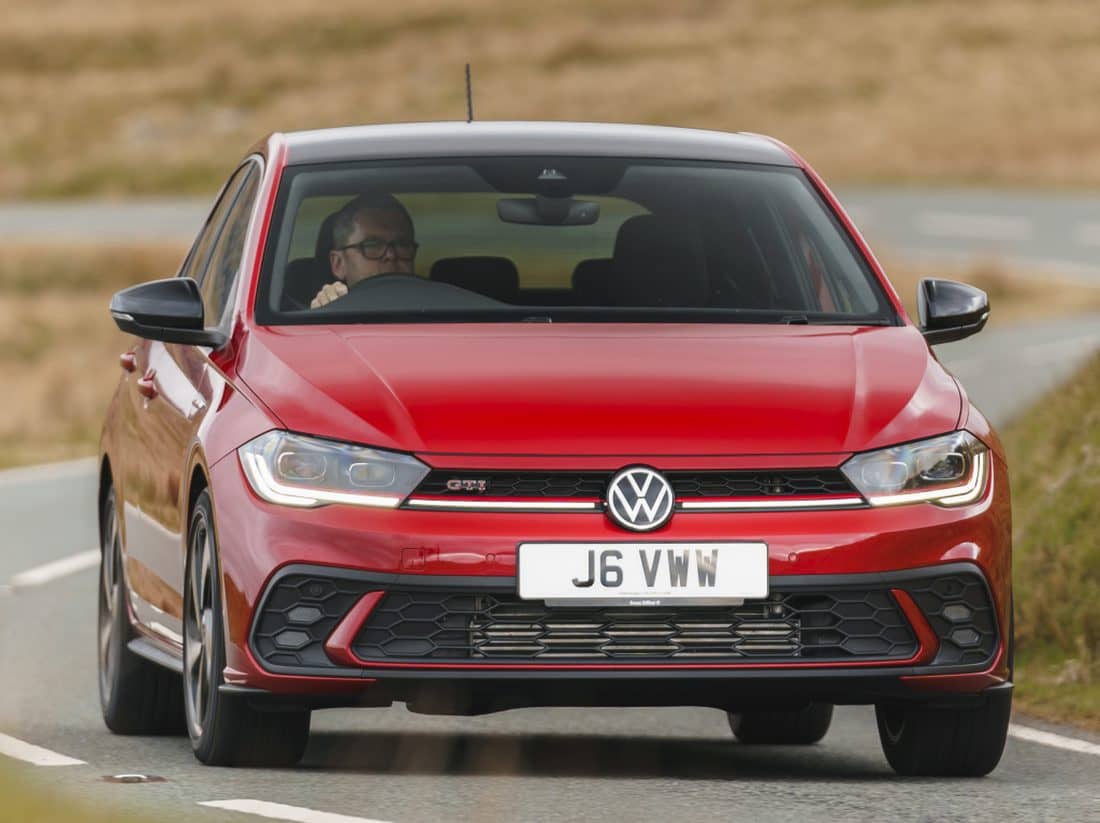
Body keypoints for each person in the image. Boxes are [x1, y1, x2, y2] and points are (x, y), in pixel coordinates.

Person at [309, 193, 418, 308]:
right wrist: (325, 314)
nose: (391, 255)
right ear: (338, 263)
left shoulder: (436, 311)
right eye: (372, 245)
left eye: (402, 244)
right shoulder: (330, 310)